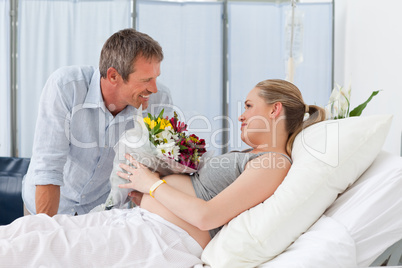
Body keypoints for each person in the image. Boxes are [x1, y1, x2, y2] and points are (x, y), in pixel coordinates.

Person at [4, 79, 326, 266]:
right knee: (31, 232)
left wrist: (152, 185)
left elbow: (207, 217)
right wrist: (146, 192)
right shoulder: (250, 156)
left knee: (39, 251)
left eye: (248, 106)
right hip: (140, 223)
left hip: (160, 240)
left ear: (275, 110)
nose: (241, 116)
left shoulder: (275, 163)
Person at [22, 28, 173, 217]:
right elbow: (48, 167)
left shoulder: (159, 101)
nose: (154, 88)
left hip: (100, 214)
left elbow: (160, 164)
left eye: (156, 77)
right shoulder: (66, 87)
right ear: (113, 76)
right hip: (49, 205)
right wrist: (47, 231)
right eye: (146, 80)